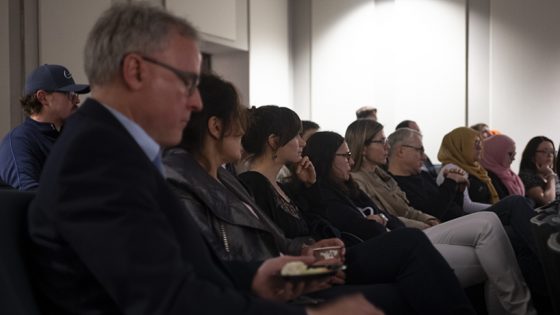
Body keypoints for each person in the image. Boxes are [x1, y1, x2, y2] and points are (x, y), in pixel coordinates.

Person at [26, 4, 382, 315]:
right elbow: (169, 302)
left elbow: (177, 272)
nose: (196, 102)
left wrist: (256, 275)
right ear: (135, 71)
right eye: (187, 81)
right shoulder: (96, 161)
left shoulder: (116, 149)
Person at [165, 78, 474, 314]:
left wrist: (311, 252)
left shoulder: (224, 178)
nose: (245, 127)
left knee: (411, 243)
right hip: (282, 279)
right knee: (404, 284)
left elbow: (283, 239)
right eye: (239, 117)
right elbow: (221, 270)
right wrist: (303, 267)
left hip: (296, 266)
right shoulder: (191, 184)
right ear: (216, 126)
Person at [305, 128, 534, 315]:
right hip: (399, 242)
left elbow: (391, 215)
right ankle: (523, 308)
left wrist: (418, 220)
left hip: (407, 233)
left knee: (492, 231)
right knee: (491, 234)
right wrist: (433, 207)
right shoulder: (344, 186)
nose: (350, 160)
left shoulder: (358, 184)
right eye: (344, 156)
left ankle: (520, 308)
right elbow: (369, 225)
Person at [0, 64, 89, 190]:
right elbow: (28, 197)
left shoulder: (72, 137)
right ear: (43, 98)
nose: (77, 100)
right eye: (69, 94)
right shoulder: (19, 142)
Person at [480, 134, 525, 199]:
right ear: (496, 152)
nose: (513, 158)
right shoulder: (486, 176)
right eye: (510, 154)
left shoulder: (509, 173)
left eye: (514, 154)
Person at [519, 136, 559, 207]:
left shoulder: (556, 175)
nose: (549, 155)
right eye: (544, 151)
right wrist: (551, 176)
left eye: (552, 152)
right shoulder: (526, 176)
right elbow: (547, 201)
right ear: (532, 156)